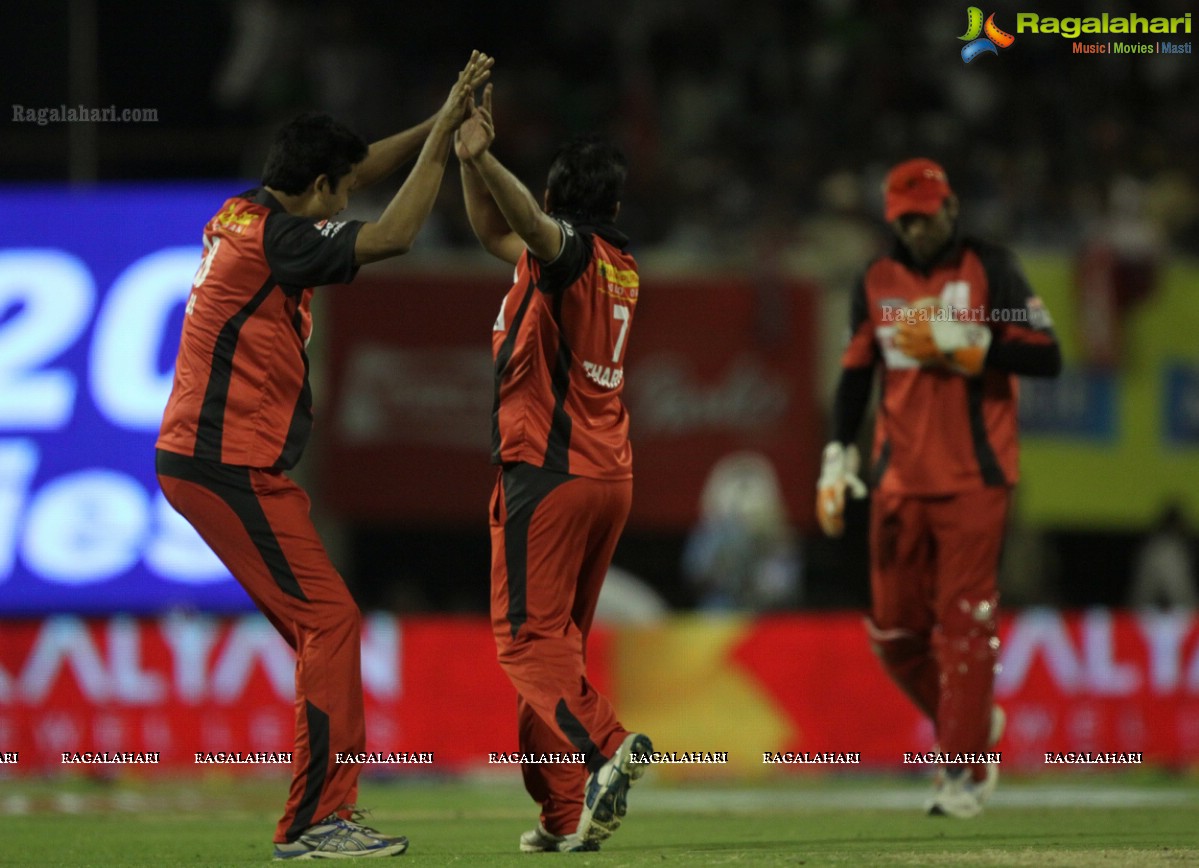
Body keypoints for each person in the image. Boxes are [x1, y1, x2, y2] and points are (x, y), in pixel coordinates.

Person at [155, 51, 492, 860]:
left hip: (222, 463)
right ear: (317, 193)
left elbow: (354, 170)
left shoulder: (246, 210)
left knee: (323, 633)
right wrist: (444, 142)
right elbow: (397, 234)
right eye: (339, 188)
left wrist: (440, 119)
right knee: (333, 623)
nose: (350, 192)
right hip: (223, 463)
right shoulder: (285, 244)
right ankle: (314, 823)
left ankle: (321, 815)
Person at [816, 158, 1061, 818]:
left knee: (963, 625)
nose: (919, 229)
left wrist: (974, 343)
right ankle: (974, 730)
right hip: (897, 481)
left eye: (927, 216)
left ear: (950, 208)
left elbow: (1045, 352)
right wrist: (837, 456)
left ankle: (958, 772)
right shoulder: (874, 279)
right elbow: (853, 374)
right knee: (894, 636)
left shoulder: (992, 268)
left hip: (975, 479)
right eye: (906, 220)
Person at [455, 83, 653, 853]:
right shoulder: (615, 263)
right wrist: (472, 165)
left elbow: (535, 229)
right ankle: (560, 814)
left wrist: (484, 154)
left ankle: (608, 748)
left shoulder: (567, 253)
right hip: (607, 476)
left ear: (550, 198)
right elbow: (489, 229)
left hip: (549, 471)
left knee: (524, 644)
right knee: (553, 654)